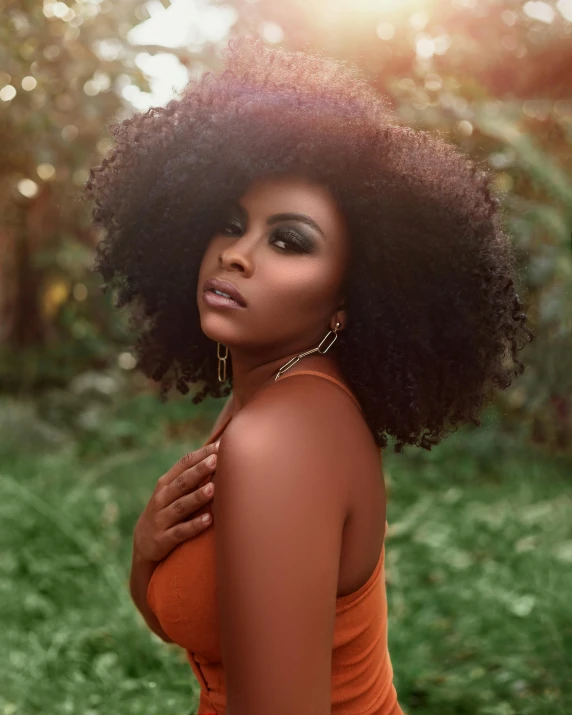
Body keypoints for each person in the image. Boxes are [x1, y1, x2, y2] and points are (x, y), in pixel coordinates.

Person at [85, 35, 533, 715]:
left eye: (288, 240)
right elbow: (205, 635)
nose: (237, 254)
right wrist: (148, 552)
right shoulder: (274, 394)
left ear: (350, 299)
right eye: (231, 224)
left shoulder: (282, 436)